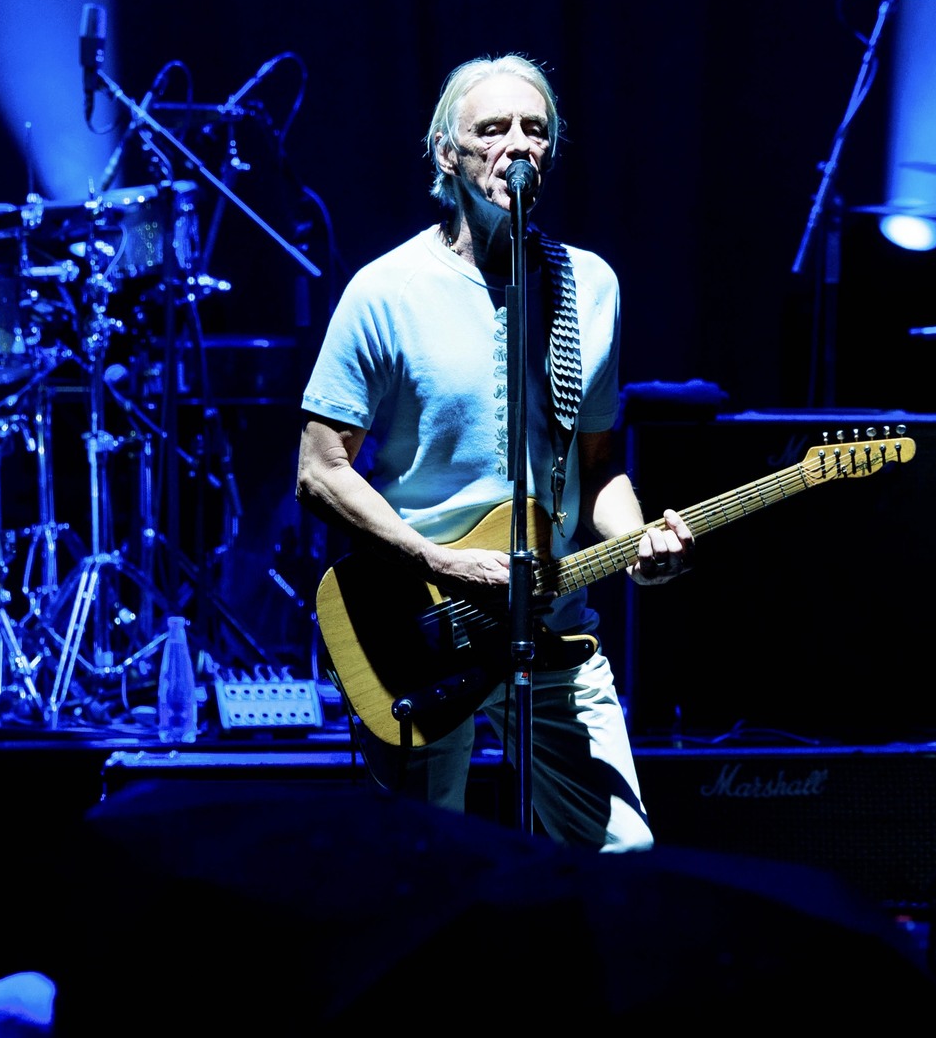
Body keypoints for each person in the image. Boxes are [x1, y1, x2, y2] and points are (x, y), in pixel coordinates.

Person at [294, 53, 692, 852]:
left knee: (624, 855)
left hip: (554, 623)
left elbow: (598, 465)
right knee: (421, 874)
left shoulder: (589, 287)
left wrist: (636, 542)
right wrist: (440, 562)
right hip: (418, 627)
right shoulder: (386, 290)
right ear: (448, 152)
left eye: (534, 128)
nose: (517, 144)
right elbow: (319, 470)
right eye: (493, 128)